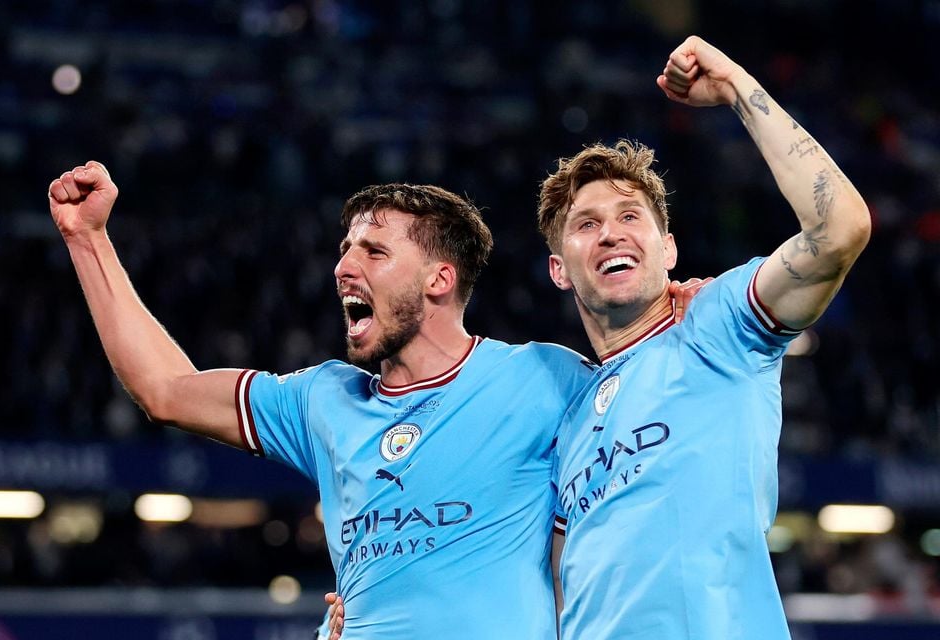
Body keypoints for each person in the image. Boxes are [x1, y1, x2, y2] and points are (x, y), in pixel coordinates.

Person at [47, 167, 700, 637]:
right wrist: (87, 240)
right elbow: (165, 391)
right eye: (344, 250)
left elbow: (648, 437)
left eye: (373, 251)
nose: (342, 267)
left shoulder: (544, 378)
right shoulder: (323, 399)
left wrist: (688, 321)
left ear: (439, 280)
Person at [536, 36, 870, 639]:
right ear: (560, 269)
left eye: (630, 216)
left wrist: (738, 86)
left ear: (669, 249)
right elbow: (559, 587)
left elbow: (839, 228)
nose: (611, 234)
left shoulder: (715, 325)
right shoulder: (568, 416)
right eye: (587, 225)